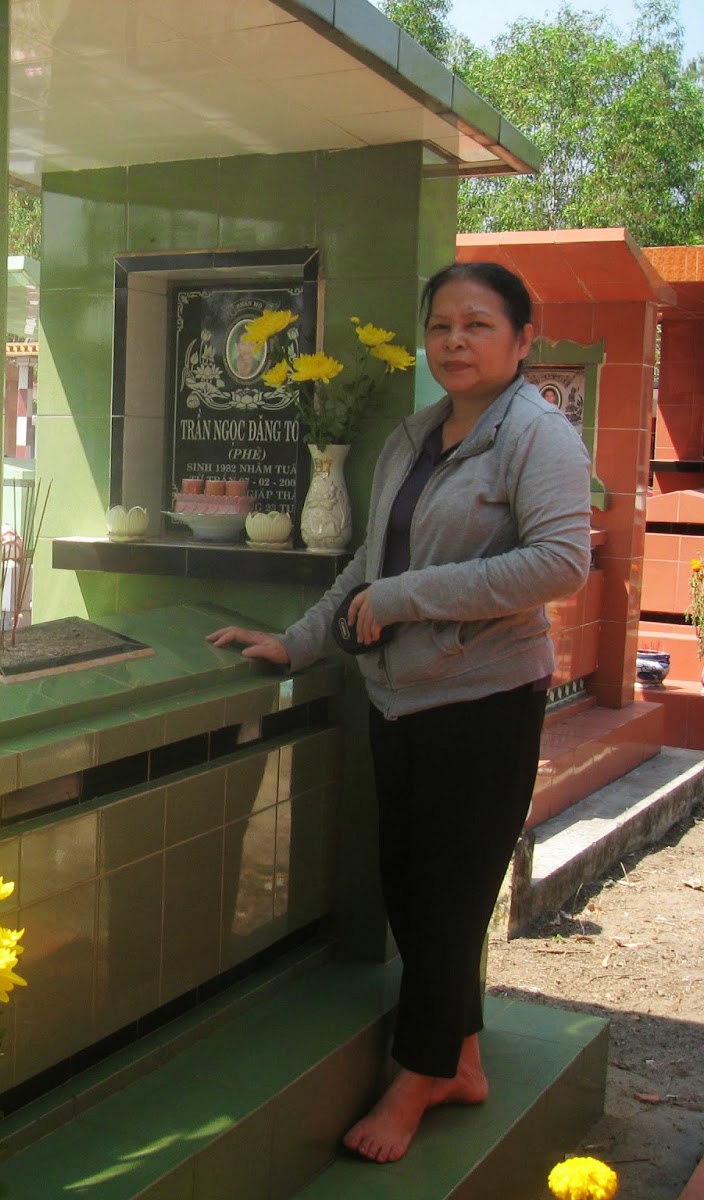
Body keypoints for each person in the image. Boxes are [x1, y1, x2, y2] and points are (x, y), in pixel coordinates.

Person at [207, 262, 591, 1164]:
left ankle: (416, 1080)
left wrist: (409, 597)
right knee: (416, 892)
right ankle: (462, 1062)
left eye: (479, 325)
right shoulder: (413, 435)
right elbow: (367, 566)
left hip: (484, 700)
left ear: (523, 340)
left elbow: (561, 563)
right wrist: (299, 642)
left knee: (452, 899)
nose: (455, 341)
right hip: (400, 698)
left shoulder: (537, 436)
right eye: (442, 325)